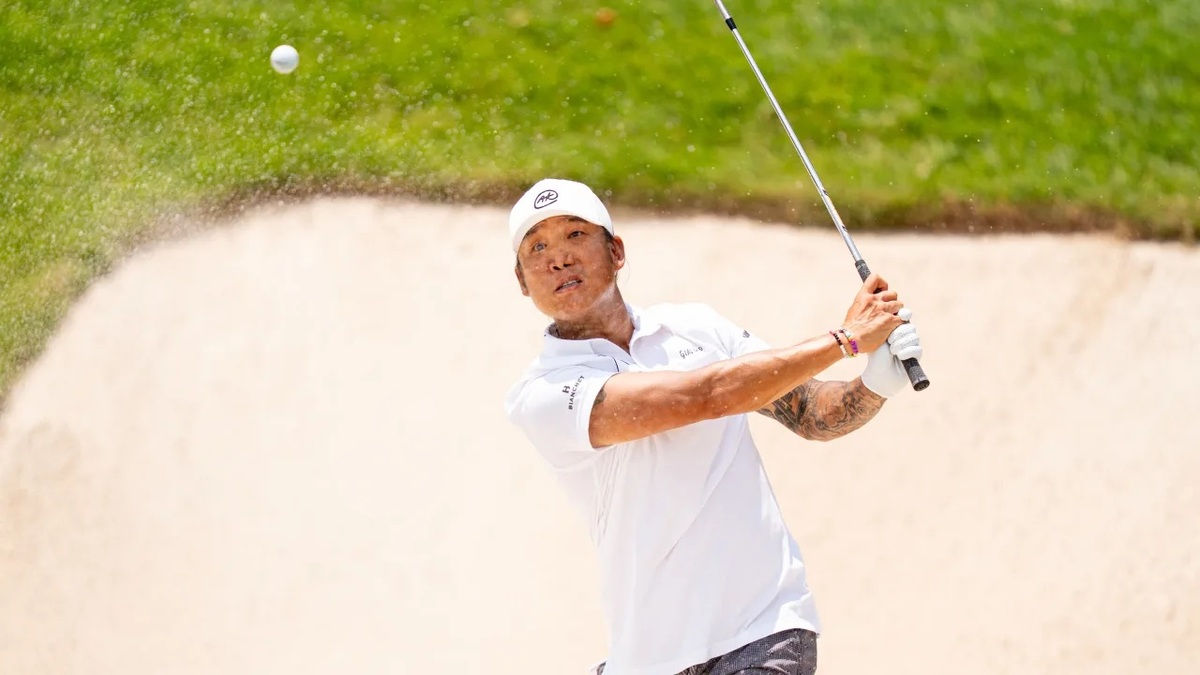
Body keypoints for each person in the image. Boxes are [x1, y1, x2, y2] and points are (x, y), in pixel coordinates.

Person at [502, 178, 923, 675]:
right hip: (647, 661)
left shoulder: (697, 328)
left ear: (616, 252)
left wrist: (874, 384)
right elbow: (705, 397)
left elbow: (811, 413)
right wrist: (846, 339)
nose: (559, 258)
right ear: (523, 281)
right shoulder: (543, 394)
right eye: (537, 248)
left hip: (763, 631)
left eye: (575, 234)